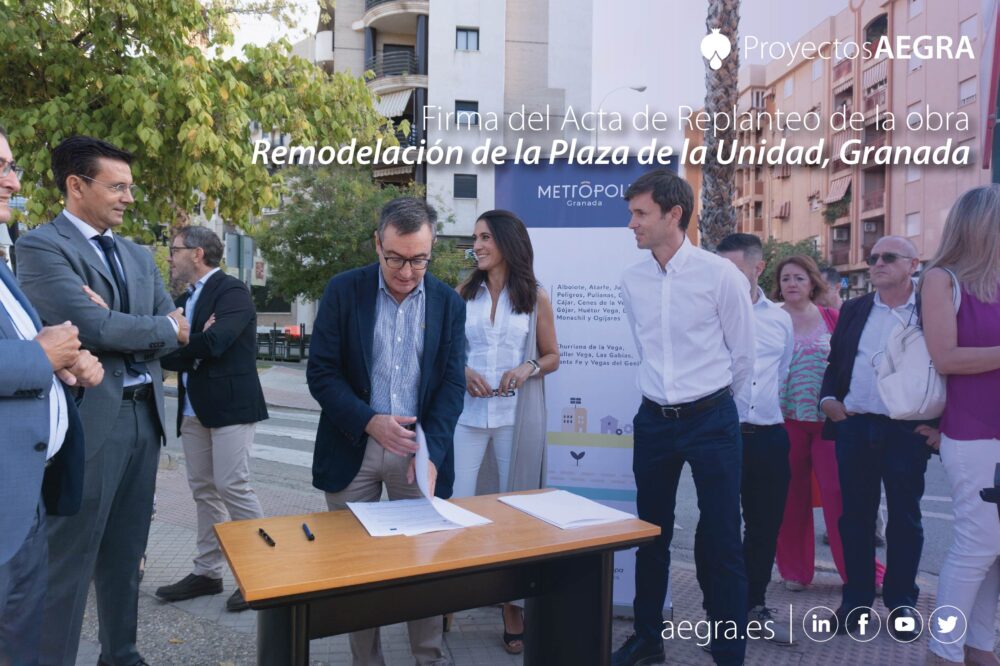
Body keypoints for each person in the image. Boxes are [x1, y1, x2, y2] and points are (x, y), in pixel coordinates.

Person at [16, 136, 189, 666]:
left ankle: (122, 655)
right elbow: (89, 325)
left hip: (145, 421)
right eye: (117, 186)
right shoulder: (40, 247)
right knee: (68, 559)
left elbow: (175, 330)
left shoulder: (138, 254)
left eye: (130, 187)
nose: (128, 198)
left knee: (127, 553)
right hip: (91, 422)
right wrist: (148, 327)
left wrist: (129, 327)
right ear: (76, 186)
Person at [306, 197, 465, 666]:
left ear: (431, 249)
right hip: (352, 445)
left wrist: (431, 452)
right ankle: (365, 660)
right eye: (395, 257)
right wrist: (370, 420)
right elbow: (322, 373)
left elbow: (453, 382)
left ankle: (428, 658)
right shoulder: (343, 291)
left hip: (418, 456)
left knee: (424, 565)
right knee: (355, 570)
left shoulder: (448, 302)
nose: (406, 271)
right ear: (378, 244)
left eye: (419, 259)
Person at [612, 170, 754, 666]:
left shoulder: (720, 276)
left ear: (674, 214)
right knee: (651, 534)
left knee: (721, 539)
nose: (631, 223)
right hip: (653, 420)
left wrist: (708, 404)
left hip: (712, 419)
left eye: (640, 213)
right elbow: (644, 347)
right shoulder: (631, 280)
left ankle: (728, 647)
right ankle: (649, 639)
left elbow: (743, 356)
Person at [0, 126, 102, 664]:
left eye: (11, 165)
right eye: (0, 167)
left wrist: (61, 370)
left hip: (27, 506)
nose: (13, 181)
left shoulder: (2, 262)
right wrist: (41, 356)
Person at [453, 209, 559, 654]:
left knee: (514, 511)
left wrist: (526, 366)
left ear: (507, 243)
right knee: (458, 505)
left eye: (484, 237)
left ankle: (513, 607)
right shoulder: (461, 293)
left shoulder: (535, 296)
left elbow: (552, 355)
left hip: (516, 417)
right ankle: (447, 596)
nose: (476, 245)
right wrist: (463, 372)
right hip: (467, 417)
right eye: (475, 238)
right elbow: (445, 351)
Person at [819, 236, 936, 640]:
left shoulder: (929, 311)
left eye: (889, 257)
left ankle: (902, 603)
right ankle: (856, 603)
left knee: (905, 518)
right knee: (856, 519)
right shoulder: (854, 309)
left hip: (907, 429)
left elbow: (947, 368)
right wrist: (829, 400)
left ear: (913, 265)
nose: (877, 264)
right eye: (873, 258)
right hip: (856, 424)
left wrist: (941, 426)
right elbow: (836, 362)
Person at [153, 226, 268, 613]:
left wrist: (185, 339)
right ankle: (208, 572)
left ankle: (260, 573)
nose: (170, 257)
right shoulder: (186, 298)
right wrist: (190, 338)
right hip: (193, 409)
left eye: (175, 250)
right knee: (204, 491)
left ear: (197, 253)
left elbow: (218, 343)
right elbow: (165, 356)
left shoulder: (232, 291)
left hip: (231, 407)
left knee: (233, 486)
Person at [772, 255, 885, 595]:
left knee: (842, 498)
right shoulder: (768, 320)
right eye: (786, 278)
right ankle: (794, 571)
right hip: (785, 422)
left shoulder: (833, 318)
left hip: (829, 424)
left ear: (812, 284)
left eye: (799, 278)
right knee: (790, 500)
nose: (792, 283)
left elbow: (853, 366)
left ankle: (862, 573)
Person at [921, 186, 1000, 666]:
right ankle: (943, 650)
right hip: (974, 434)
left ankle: (981, 648)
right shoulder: (941, 280)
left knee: (995, 552)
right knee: (979, 545)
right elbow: (945, 357)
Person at [716, 233, 794, 645]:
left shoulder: (780, 318)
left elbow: (782, 371)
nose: (724, 276)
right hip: (723, 436)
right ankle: (723, 616)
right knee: (721, 528)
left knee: (764, 528)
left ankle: (754, 605)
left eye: (733, 267)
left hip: (769, 436)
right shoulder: (708, 313)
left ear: (758, 267)